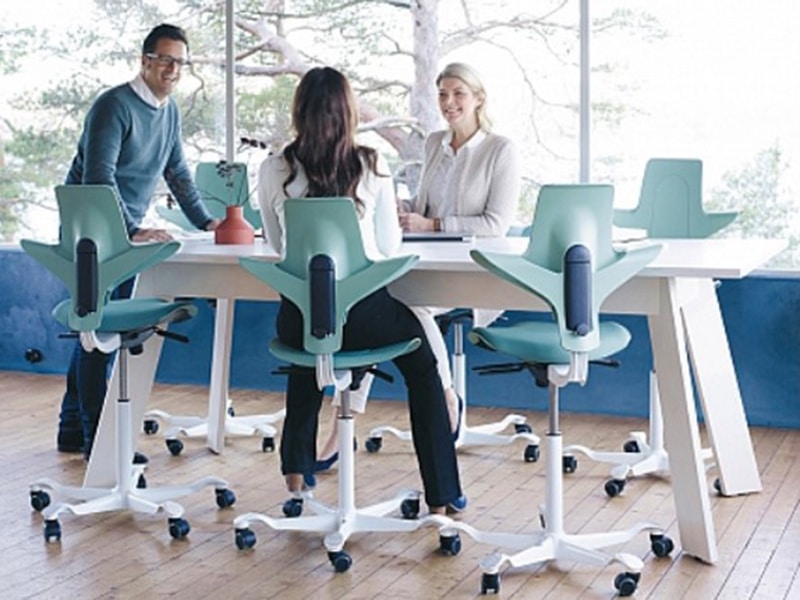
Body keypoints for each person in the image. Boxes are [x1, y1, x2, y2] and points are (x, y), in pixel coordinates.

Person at [258, 66, 464, 514]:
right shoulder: (371, 163)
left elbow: (277, 245)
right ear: (349, 113)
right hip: (364, 320)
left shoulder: (273, 167)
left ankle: (296, 472)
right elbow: (389, 248)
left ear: (299, 112)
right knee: (423, 363)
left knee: (310, 344)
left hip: (298, 320)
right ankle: (442, 496)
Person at [314, 62, 521, 472]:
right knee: (378, 301)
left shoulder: (501, 149)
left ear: (478, 98)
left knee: (409, 307)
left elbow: (497, 223)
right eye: (443, 94)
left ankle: (444, 394)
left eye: (458, 93)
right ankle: (346, 420)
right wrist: (404, 211)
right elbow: (425, 206)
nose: (449, 102)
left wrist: (435, 225)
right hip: (427, 263)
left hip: (474, 274)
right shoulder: (433, 144)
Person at [57, 23, 222, 459]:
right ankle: (100, 442)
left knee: (95, 330)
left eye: (180, 62)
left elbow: (178, 175)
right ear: (144, 60)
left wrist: (208, 224)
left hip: (121, 233)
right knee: (99, 328)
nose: (172, 69)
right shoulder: (114, 106)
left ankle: (72, 429)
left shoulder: (168, 112)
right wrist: (131, 231)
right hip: (90, 235)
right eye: (164, 59)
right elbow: (98, 179)